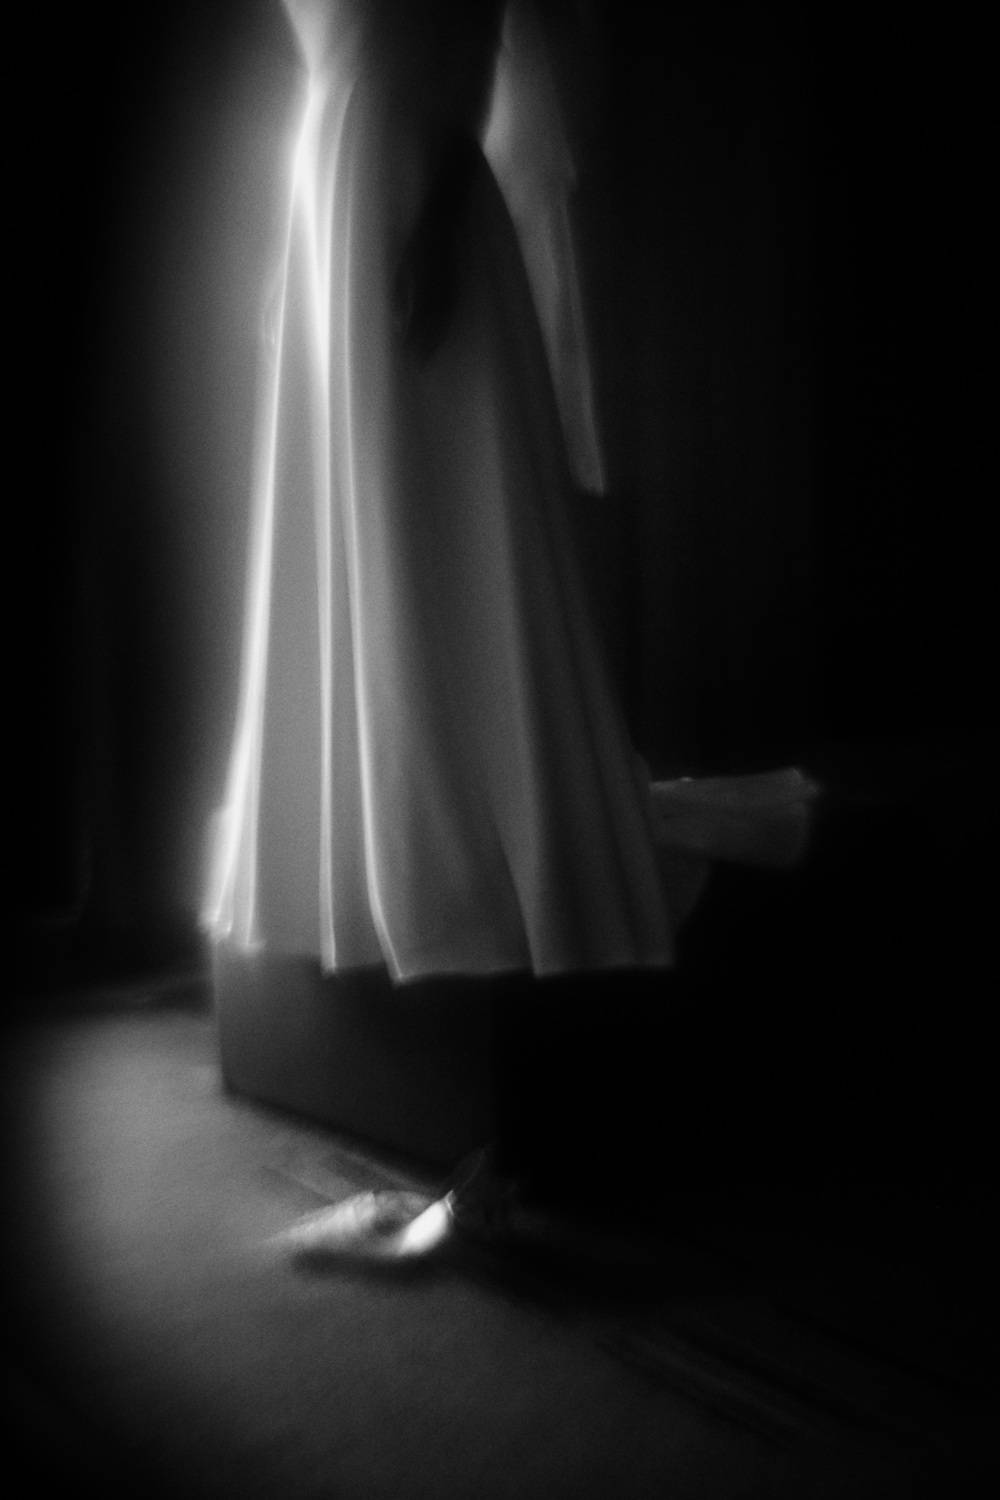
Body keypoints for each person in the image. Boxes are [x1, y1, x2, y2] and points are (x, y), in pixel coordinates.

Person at [206, 0, 818, 1265]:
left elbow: (465, 30)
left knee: (445, 538)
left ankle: (472, 847)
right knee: (366, 540)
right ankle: (363, 845)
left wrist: (431, 195)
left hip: (412, 184)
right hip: (335, 189)